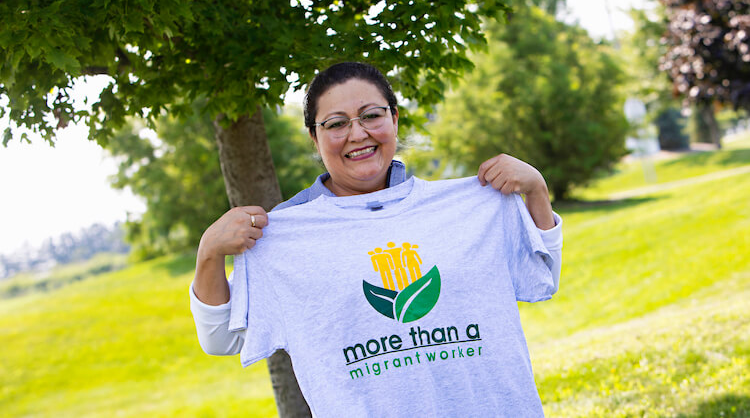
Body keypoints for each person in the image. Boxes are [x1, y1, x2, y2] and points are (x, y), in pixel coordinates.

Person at [190, 62, 562, 416]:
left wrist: (537, 192)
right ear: (314, 138)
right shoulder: (285, 237)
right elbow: (221, 339)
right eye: (336, 123)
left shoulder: (469, 206)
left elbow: (541, 277)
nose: (358, 133)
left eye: (371, 116)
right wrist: (209, 252)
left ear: (394, 118)